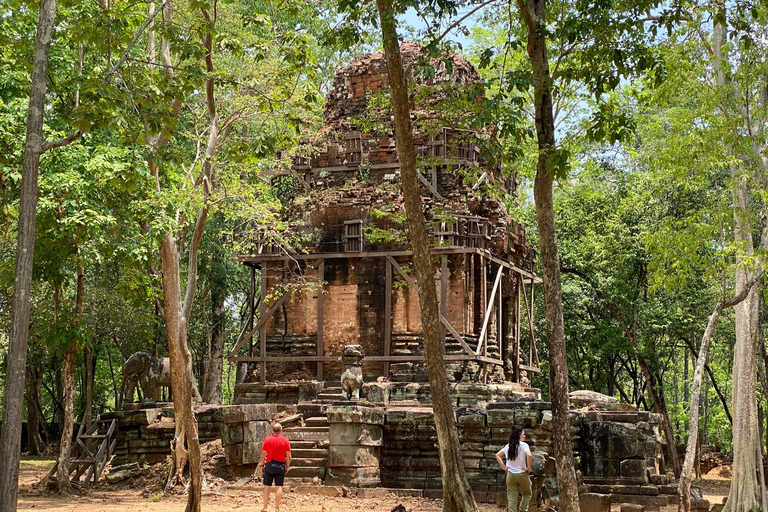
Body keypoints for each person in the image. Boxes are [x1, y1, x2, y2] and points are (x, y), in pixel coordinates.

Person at [495, 426, 532, 512]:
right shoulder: (524, 445)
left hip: (511, 475)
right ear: (519, 435)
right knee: (527, 493)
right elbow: (529, 455)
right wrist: (529, 468)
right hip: (523, 474)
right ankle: (522, 510)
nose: (525, 436)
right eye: (523, 434)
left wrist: (504, 467)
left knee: (512, 496)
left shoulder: (508, 446)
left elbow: (497, 455)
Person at [259, 422, 291, 512]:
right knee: (279, 486)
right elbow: (288, 455)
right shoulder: (285, 440)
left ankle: (265, 507)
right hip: (280, 465)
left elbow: (263, 454)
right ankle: (277, 508)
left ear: (272, 431)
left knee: (267, 486)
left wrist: (262, 464)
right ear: (281, 431)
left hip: (269, 464)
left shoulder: (267, 439)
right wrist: (287, 466)